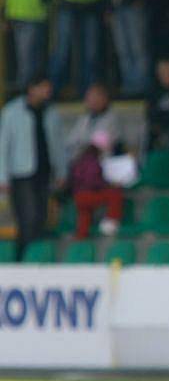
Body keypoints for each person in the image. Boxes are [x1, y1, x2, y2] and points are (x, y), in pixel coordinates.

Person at [0, 76, 66, 259]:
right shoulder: (12, 112)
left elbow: (58, 145)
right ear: (32, 88)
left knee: (41, 218)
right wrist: (2, 177)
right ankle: (22, 261)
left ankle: (34, 259)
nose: (47, 91)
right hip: (22, 173)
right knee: (27, 218)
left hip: (44, 172)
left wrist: (61, 171)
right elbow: (3, 146)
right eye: (44, 87)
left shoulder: (51, 113)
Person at [69, 130, 123, 238]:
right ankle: (110, 223)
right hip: (87, 194)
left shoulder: (81, 159)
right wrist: (107, 185)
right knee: (115, 194)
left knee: (85, 215)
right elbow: (91, 181)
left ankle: (81, 237)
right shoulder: (93, 161)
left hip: (78, 195)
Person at [65, 83, 122, 163]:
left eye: (95, 97)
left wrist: (83, 146)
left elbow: (98, 145)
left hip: (103, 164)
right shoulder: (84, 118)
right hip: (81, 163)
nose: (91, 100)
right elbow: (71, 141)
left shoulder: (112, 120)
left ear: (104, 99)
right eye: (89, 97)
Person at [146, 59, 169, 151]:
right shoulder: (154, 92)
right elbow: (151, 114)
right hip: (160, 128)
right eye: (164, 72)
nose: (168, 74)